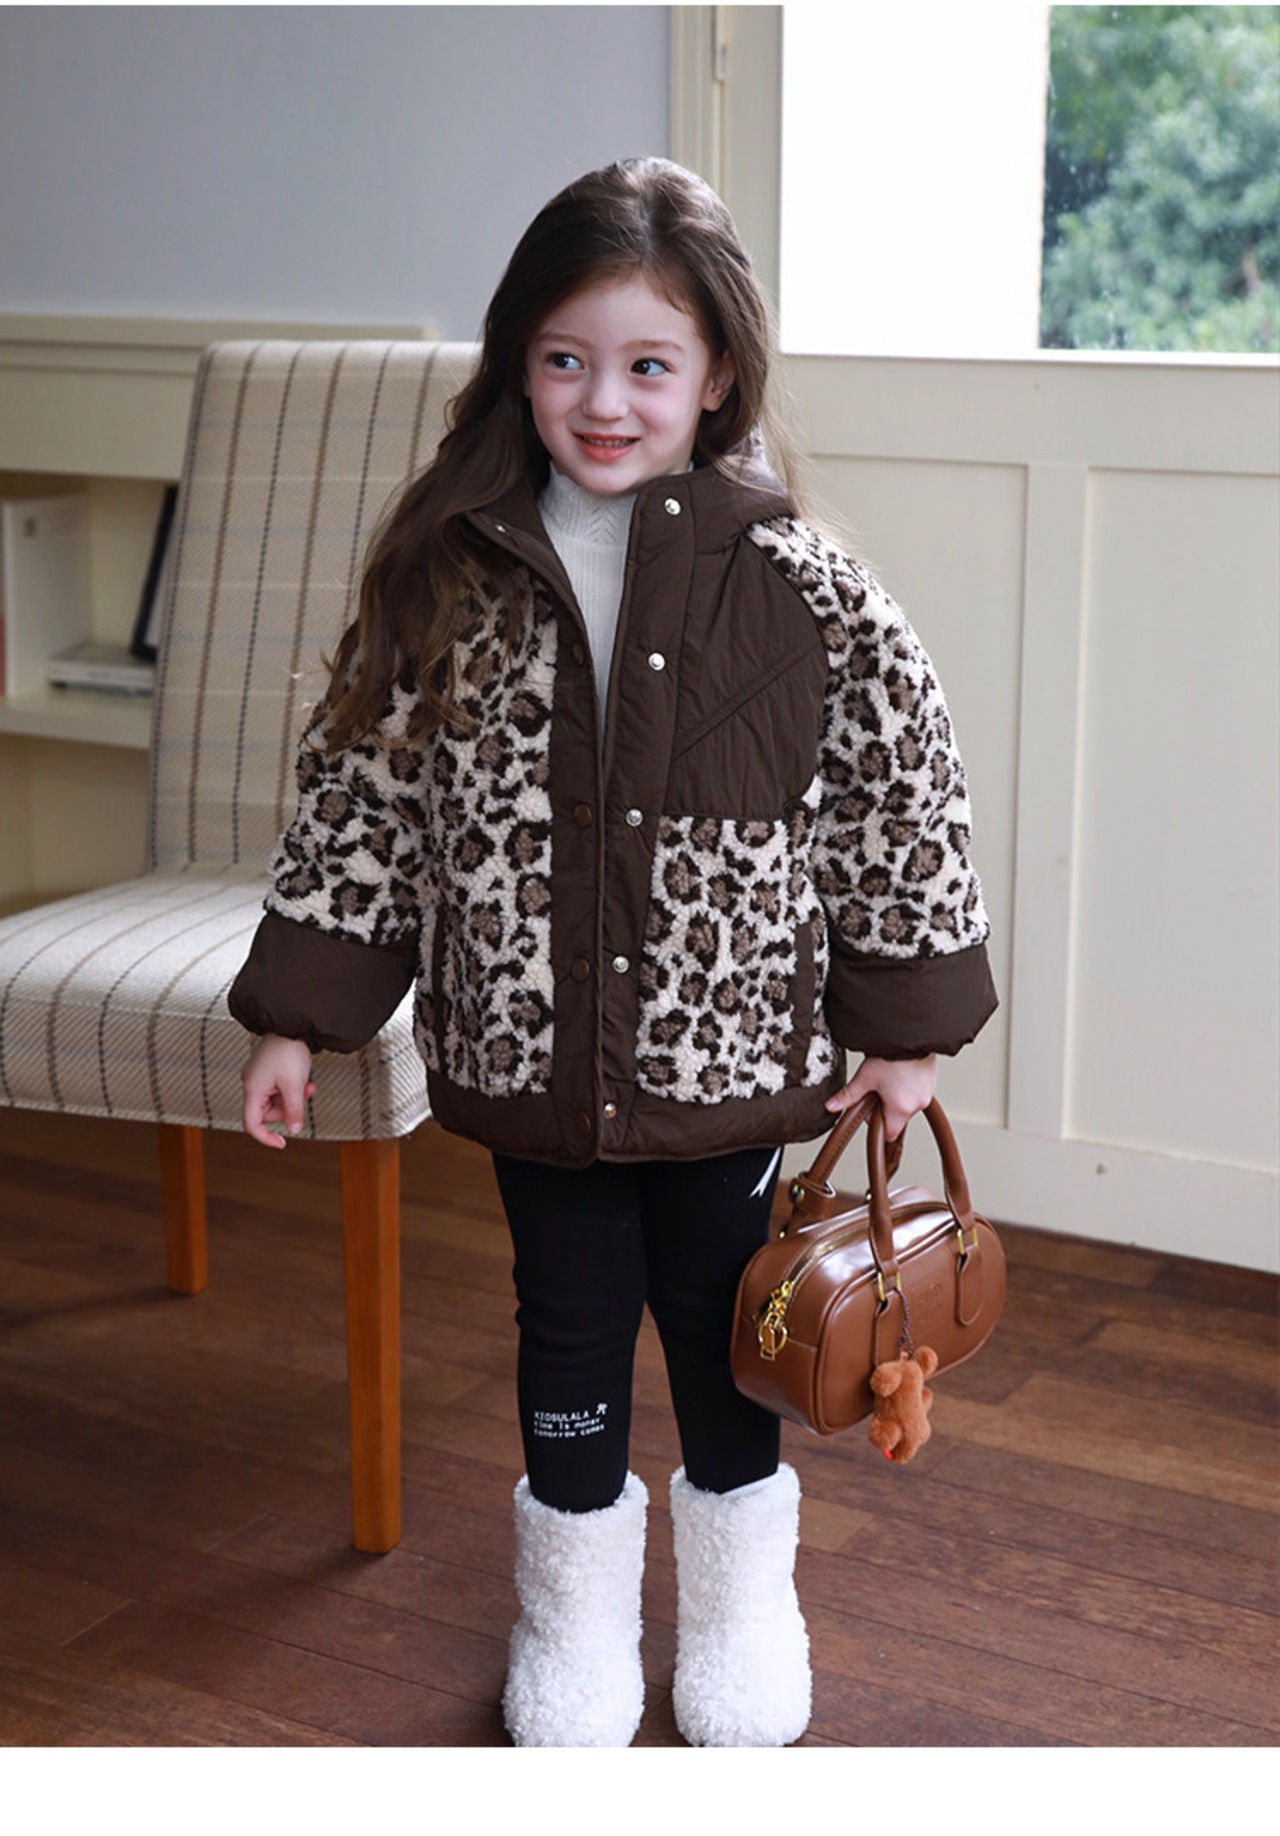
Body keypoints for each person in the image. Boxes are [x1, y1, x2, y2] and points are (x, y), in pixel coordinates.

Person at [228, 157, 997, 1748]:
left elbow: (900, 797)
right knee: (566, 1329)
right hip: (532, 1062)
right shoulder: (451, 574)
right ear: (519, 363)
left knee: (731, 1335)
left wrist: (907, 1027)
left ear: (717, 377)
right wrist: (300, 1014)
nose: (603, 400)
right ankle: (570, 1620)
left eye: (648, 364)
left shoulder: (802, 588)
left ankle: (739, 1610)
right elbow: (363, 795)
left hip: (732, 1068)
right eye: (566, 358)